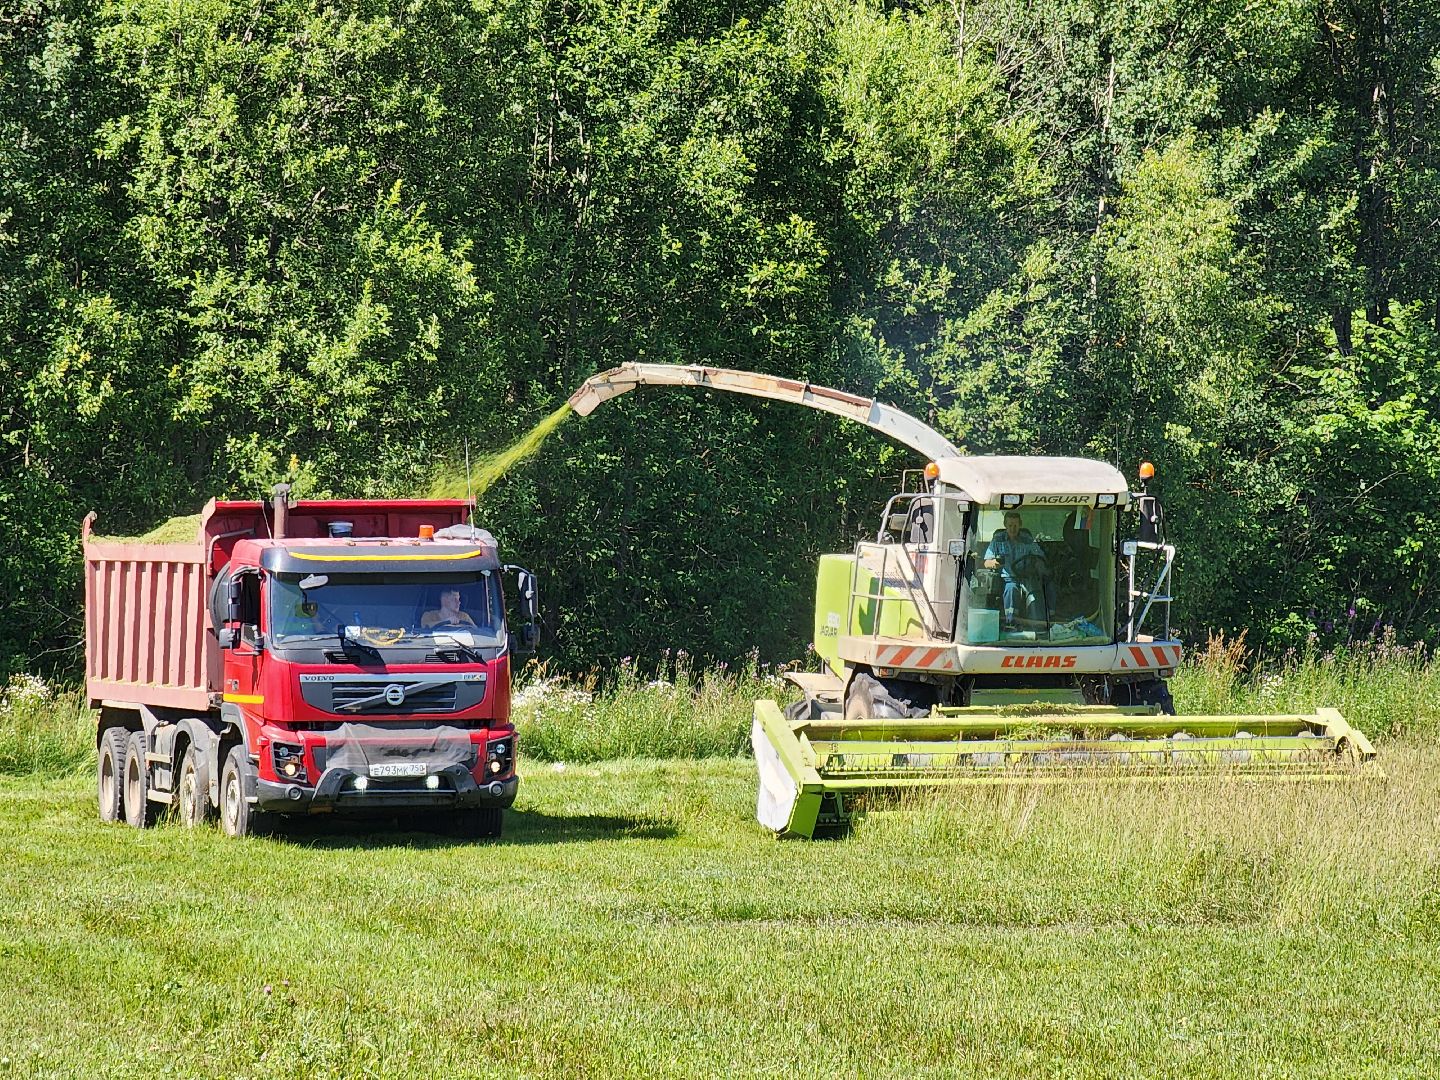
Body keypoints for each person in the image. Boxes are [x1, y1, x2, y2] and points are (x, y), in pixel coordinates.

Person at [983, 511, 1056, 628]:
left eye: (1015, 525)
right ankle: (1011, 622)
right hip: (1008, 579)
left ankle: (1039, 625)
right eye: (1010, 525)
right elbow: (986, 562)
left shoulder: (1027, 540)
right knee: (1011, 590)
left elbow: (1039, 557)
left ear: (1020, 525)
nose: (1013, 528)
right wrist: (994, 563)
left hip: (1027, 578)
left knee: (1035, 593)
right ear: (1005, 525)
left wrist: (1041, 567)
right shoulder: (998, 540)